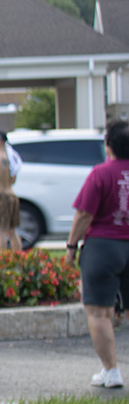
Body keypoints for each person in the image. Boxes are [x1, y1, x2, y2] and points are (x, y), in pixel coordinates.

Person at [65, 119, 129, 388]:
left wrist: (71, 247)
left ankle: (111, 371)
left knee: (99, 312)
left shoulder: (100, 173)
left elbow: (84, 214)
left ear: (108, 145)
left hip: (103, 247)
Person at [0, 139, 23, 251]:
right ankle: (18, 258)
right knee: (12, 231)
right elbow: (13, 180)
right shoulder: (13, 161)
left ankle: (1, 259)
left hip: (0, 197)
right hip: (12, 195)